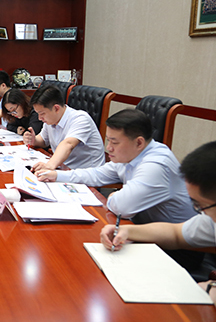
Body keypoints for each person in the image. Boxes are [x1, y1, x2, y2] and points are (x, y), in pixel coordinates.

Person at [37, 109, 195, 224]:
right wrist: (57, 175)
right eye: (108, 140)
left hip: (175, 247)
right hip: (142, 229)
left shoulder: (156, 165)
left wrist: (114, 196)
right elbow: (97, 174)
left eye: (115, 142)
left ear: (139, 142)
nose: (109, 148)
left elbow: (123, 207)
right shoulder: (130, 155)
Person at [100, 141, 216, 298]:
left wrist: (211, 289)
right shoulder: (210, 218)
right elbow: (176, 233)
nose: (199, 211)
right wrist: (127, 230)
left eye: (200, 205)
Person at [22, 84, 105, 171]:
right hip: (63, 169)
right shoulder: (51, 120)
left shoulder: (80, 119)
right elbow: (43, 140)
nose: (39, 118)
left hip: (87, 173)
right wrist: (33, 140)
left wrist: (49, 165)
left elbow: (68, 144)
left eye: (42, 113)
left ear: (56, 109)